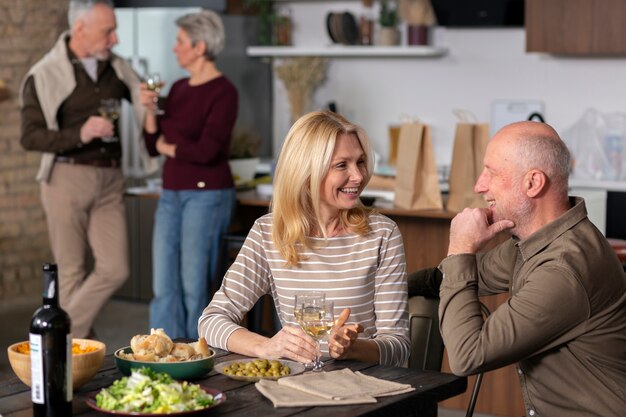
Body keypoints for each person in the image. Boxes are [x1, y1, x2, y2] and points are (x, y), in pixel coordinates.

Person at [414, 121, 626, 416]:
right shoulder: (536, 242)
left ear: (533, 183)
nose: (479, 185)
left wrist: (461, 247)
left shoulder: (563, 269)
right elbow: (449, 277)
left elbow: (467, 355)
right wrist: (378, 283)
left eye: (491, 172)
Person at [198, 111, 410, 367]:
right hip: (298, 387)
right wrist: (265, 346)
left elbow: (399, 346)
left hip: (369, 388)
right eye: (342, 165)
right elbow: (211, 321)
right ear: (307, 171)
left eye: (361, 162)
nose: (358, 176)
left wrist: (354, 349)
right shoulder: (269, 233)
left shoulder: (382, 234)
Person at [20, 0, 156, 338]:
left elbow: (146, 96)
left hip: (110, 178)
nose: (116, 39)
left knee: (115, 268)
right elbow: (30, 136)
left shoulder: (117, 68)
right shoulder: (44, 73)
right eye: (108, 31)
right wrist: (80, 134)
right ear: (80, 28)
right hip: (67, 178)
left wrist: (152, 97)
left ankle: (58, 336)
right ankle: (73, 351)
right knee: (71, 272)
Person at [140, 10, 238, 339]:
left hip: (207, 195)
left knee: (195, 284)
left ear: (199, 46)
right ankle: (162, 356)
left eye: (180, 41)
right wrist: (150, 110)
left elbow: (207, 151)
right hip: (171, 194)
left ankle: (198, 355)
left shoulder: (224, 92)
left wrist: (170, 148)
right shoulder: (180, 88)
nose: (174, 48)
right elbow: (153, 144)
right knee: (164, 283)